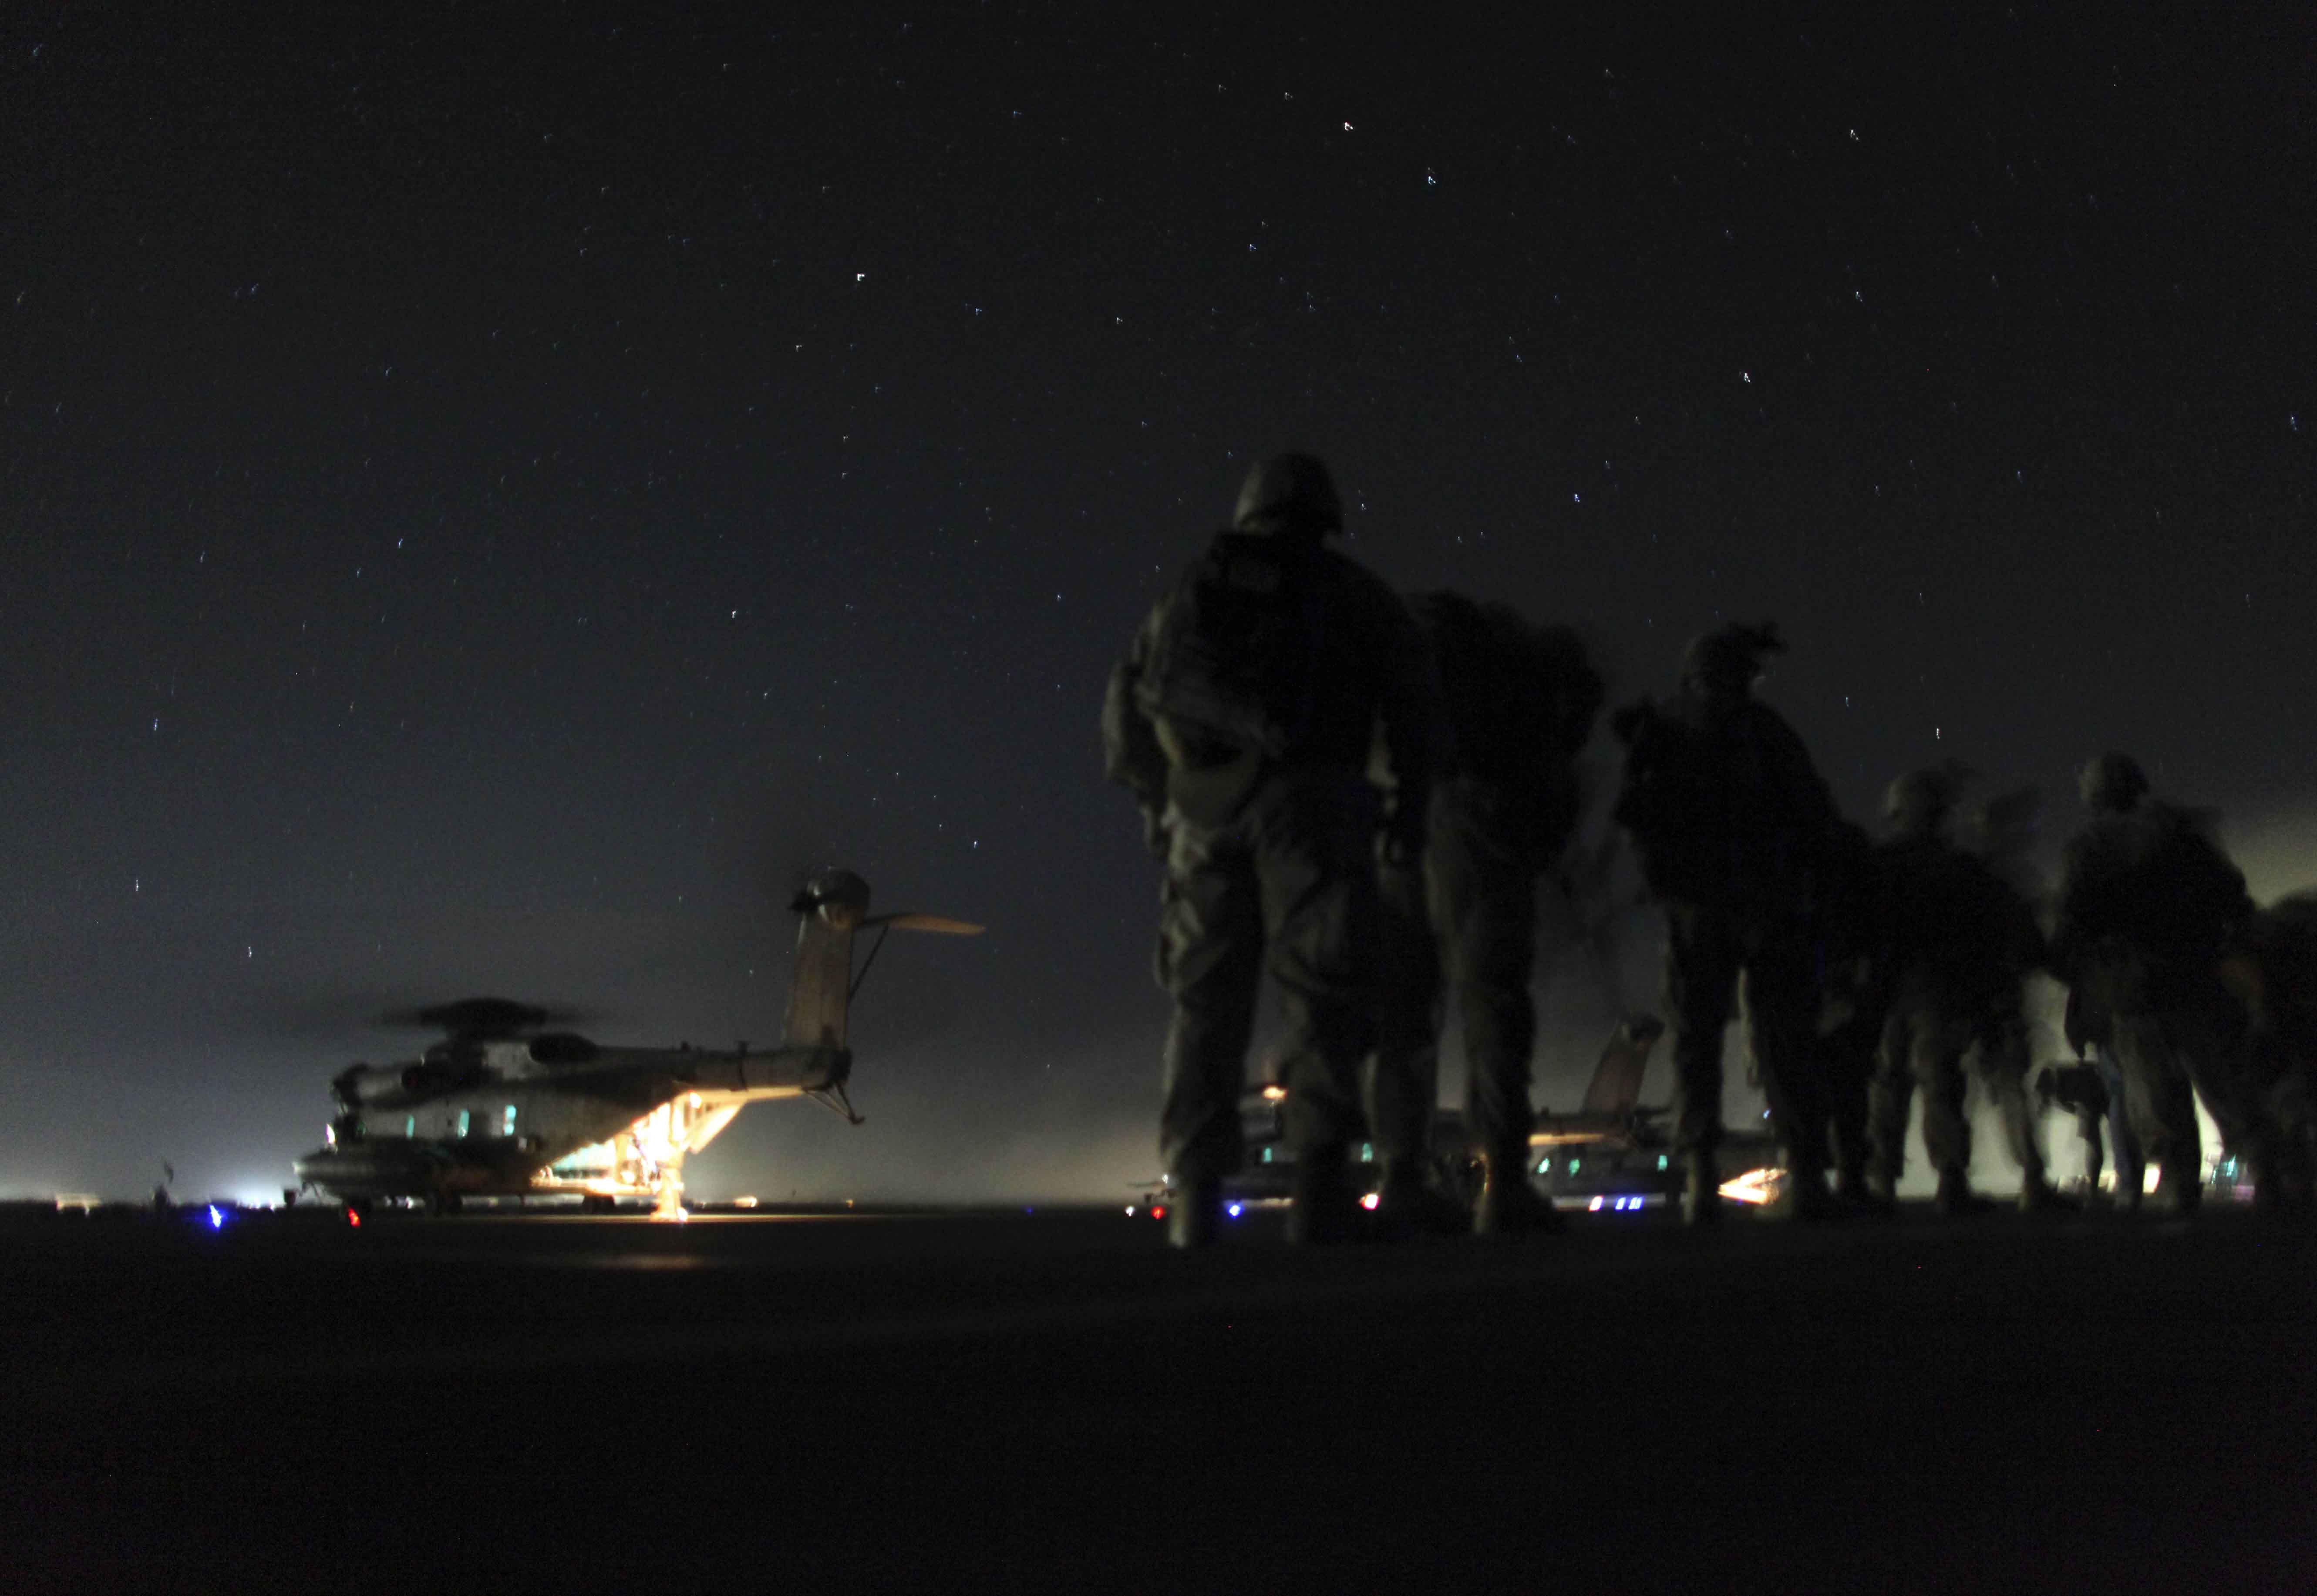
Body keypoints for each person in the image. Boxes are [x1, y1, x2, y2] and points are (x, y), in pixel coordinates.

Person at [1103, 452, 1440, 1247]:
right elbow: (1416, 706)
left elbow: (1126, 709)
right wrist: (1409, 807)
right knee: (1322, 993)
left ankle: (1193, 1198)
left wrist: (1164, 807)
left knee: (1203, 1003)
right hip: (1312, 808)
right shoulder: (1353, 595)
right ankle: (1320, 1190)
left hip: (1203, 812)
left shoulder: (1195, 588)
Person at [1367, 595, 1602, 1236]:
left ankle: (1400, 1180)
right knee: (1492, 1006)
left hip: (1390, 824)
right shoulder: (1524, 676)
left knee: (1401, 1013)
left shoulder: (1416, 654)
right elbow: (1553, 774)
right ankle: (1502, 1185)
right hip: (1476, 826)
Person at [1610, 622, 1842, 1224]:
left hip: (1710, 906)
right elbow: (1815, 818)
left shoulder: (1670, 728)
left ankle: (1701, 1178)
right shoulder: (1762, 732)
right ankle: (1799, 1172)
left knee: (1703, 1042)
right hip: (1759, 905)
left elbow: (1633, 813)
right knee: (1776, 1039)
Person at [2049, 752, 2253, 1215]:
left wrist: (2077, 974)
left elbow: (2070, 922)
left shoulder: (2091, 845)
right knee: (2222, 1085)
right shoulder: (2179, 833)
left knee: (2156, 1096)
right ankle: (2276, 1173)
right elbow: (2231, 892)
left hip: (2135, 989)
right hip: (2194, 980)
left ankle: (2179, 1187)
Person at [1864, 766, 2061, 1215]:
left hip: (1893, 994)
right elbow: (2000, 935)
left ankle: (1881, 1182)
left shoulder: (1879, 865)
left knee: (1890, 1088)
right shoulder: (1962, 870)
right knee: (1939, 1084)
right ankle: (1949, 1181)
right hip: (1939, 995)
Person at [2035, 1059, 2113, 1198]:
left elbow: (2073, 1106)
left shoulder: (2068, 1085)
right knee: (2095, 1144)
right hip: (2096, 1089)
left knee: (2095, 1145)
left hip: (2096, 1090)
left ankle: (2093, 1189)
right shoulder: (2065, 1083)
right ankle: (2093, 1188)